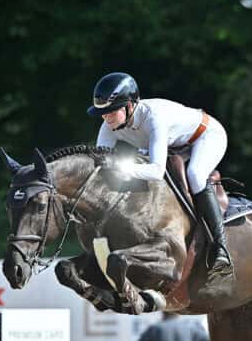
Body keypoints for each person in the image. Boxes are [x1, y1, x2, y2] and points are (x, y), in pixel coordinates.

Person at [87, 72, 233, 278]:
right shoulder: (109, 126)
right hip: (174, 146)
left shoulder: (153, 118)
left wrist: (122, 167)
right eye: (102, 113)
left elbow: (156, 170)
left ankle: (221, 248)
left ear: (130, 106)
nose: (106, 117)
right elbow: (100, 164)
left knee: (195, 175)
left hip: (206, 136)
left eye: (111, 111)